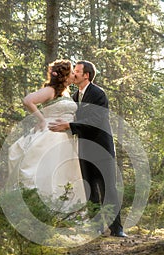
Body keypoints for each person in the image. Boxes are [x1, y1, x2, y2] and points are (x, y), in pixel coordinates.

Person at [49, 60, 127, 237]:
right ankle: (96, 229)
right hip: (83, 149)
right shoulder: (75, 97)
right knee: (89, 190)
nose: (74, 73)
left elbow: (95, 121)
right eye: (74, 71)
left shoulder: (99, 94)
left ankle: (117, 229)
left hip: (102, 150)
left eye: (77, 71)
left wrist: (69, 125)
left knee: (108, 190)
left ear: (87, 75)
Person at [7, 59, 86, 212]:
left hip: (67, 138)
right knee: (46, 170)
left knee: (65, 174)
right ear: (64, 76)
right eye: (71, 73)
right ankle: (41, 208)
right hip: (53, 135)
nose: (73, 75)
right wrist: (42, 119)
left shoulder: (65, 93)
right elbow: (28, 100)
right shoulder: (51, 90)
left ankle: (66, 209)